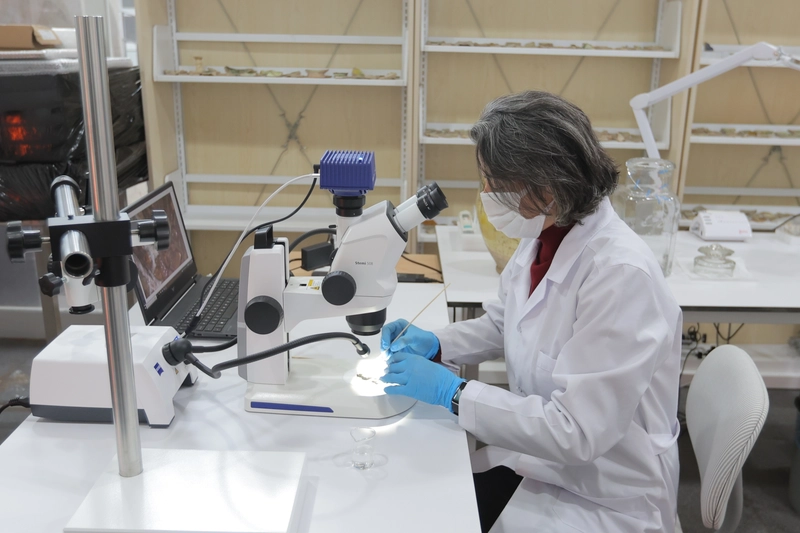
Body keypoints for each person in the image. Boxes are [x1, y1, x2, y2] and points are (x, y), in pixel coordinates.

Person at [380, 91, 681, 533]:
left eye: (495, 182)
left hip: (605, 494)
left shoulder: (620, 275)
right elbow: (506, 323)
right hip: (542, 463)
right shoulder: (544, 234)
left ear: (548, 187)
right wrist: (437, 342)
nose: (486, 194)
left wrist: (455, 393)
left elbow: (577, 431)